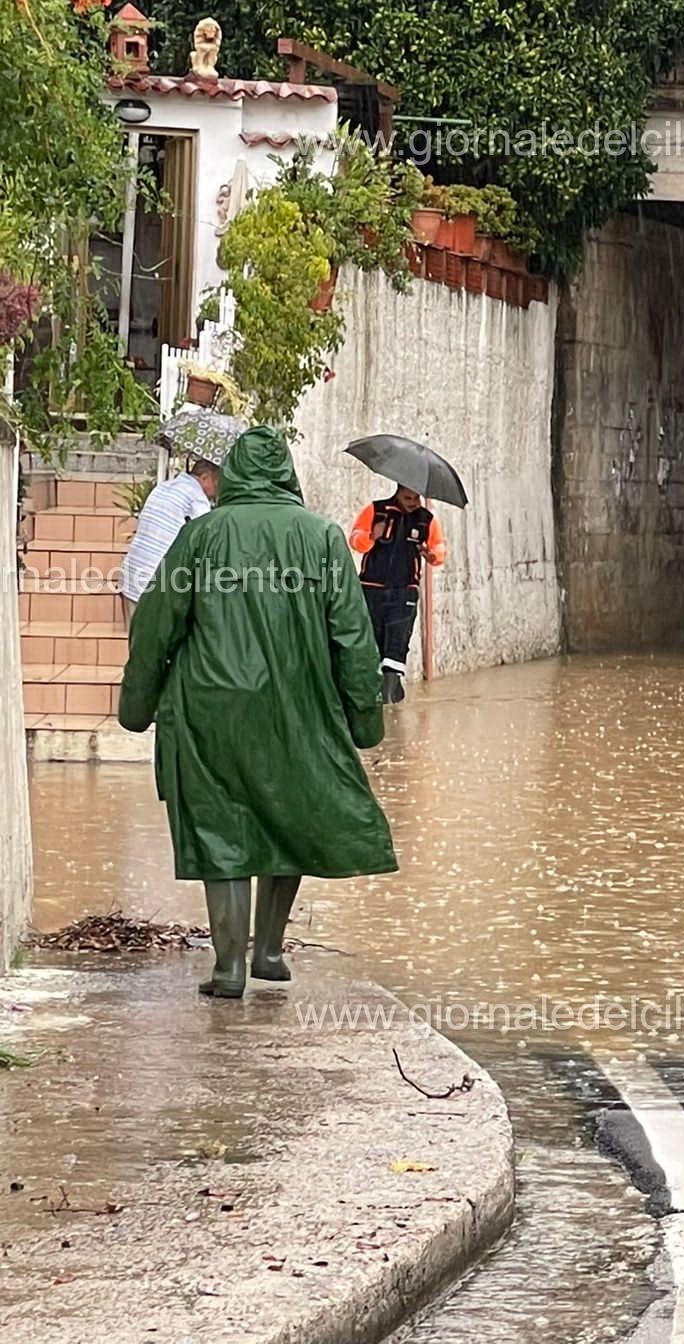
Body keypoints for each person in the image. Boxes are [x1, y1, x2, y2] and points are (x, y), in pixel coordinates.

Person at [118, 427, 394, 1001]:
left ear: (235, 474)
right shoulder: (322, 539)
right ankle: (268, 951)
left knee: (222, 830)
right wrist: (365, 721)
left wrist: (136, 707)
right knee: (284, 820)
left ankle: (228, 968)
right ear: (287, 474)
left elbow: (155, 624)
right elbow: (354, 636)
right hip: (300, 707)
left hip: (208, 709)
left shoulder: (201, 536)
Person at [347, 482, 446, 702]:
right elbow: (355, 541)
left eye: (416, 498)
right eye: (408, 498)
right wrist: (372, 536)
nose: (413, 503)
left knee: (398, 640)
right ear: (398, 493)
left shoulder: (426, 520)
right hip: (371, 589)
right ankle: (384, 692)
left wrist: (431, 555)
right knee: (374, 641)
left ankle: (388, 695)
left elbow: (439, 550)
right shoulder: (375, 510)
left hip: (405, 591)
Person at [119, 456, 219, 625]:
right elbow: (207, 538)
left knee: (136, 645)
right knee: (158, 646)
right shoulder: (196, 497)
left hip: (132, 575)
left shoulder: (163, 487)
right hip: (156, 582)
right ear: (205, 477)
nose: (217, 491)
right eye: (217, 483)